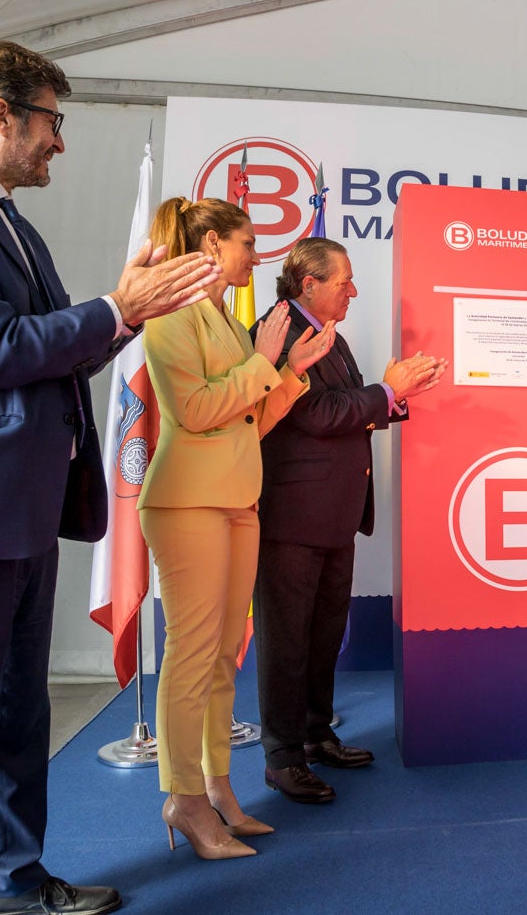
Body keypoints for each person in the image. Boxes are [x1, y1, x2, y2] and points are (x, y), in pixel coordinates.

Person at [0, 40, 219, 915]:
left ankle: (12, 884)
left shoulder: (10, 220)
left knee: (17, 723)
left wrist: (119, 316)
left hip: (13, 514)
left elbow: (52, 354)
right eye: (54, 121)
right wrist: (115, 309)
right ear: (2, 115)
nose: (60, 142)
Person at [137, 198, 334, 858]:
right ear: (214, 245)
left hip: (234, 500)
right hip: (188, 502)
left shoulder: (222, 315)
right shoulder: (172, 310)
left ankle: (218, 789)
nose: (258, 256)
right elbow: (193, 412)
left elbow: (246, 419)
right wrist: (266, 360)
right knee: (191, 658)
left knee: (222, 658)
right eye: (249, 243)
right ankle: (183, 798)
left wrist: (290, 373)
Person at [252, 238, 445, 803]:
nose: (354, 290)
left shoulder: (324, 335)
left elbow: (348, 410)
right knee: (287, 641)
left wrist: (391, 394)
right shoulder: (280, 330)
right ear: (309, 284)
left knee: (323, 635)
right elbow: (316, 414)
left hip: (333, 513)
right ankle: (282, 758)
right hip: (293, 515)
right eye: (345, 281)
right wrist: (388, 391)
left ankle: (315, 734)